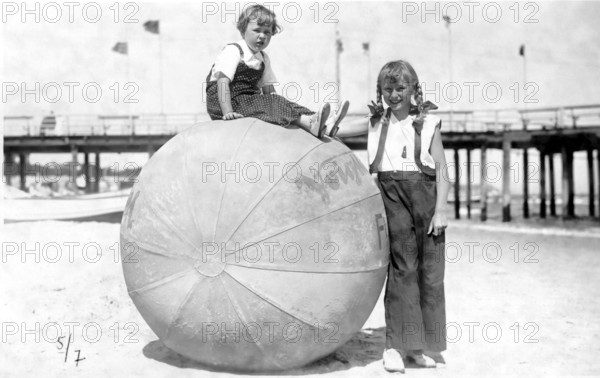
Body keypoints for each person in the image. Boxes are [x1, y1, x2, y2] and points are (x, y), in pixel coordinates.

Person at [367, 60, 450, 373]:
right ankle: (393, 347)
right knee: (402, 272)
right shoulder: (375, 122)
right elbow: (339, 130)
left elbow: (442, 170)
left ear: (414, 89)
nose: (393, 94)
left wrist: (441, 209)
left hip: (427, 204)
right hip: (393, 201)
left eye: (400, 88)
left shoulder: (429, 124)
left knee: (430, 276)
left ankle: (417, 349)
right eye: (387, 89)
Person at [205, 4, 348, 138]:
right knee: (273, 102)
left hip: (246, 100)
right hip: (224, 102)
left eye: (267, 32)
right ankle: (310, 123)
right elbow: (222, 82)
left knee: (279, 101)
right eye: (256, 30)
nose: (262, 36)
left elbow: (269, 90)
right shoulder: (234, 50)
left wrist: (279, 104)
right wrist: (227, 112)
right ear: (243, 31)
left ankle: (321, 123)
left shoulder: (263, 58)